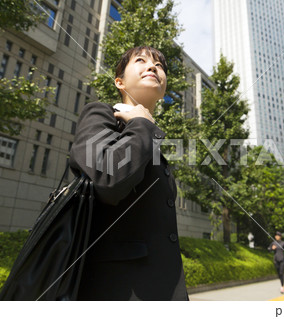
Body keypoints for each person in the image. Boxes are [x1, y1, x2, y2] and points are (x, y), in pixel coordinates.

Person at [69, 46, 188, 300]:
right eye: (141, 60)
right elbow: (108, 179)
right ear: (120, 82)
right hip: (119, 292)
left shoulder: (150, 138)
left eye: (159, 65)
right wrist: (142, 123)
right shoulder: (101, 114)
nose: (153, 67)